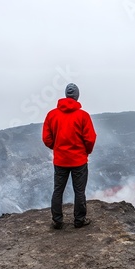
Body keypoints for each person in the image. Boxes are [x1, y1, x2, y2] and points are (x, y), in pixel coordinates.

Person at [42, 83, 97, 229]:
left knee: (58, 190)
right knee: (79, 191)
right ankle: (79, 221)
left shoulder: (52, 115)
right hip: (79, 160)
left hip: (60, 160)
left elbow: (46, 138)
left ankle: (57, 221)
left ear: (66, 95)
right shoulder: (83, 116)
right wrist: (86, 151)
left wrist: (56, 148)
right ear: (77, 96)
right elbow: (90, 139)